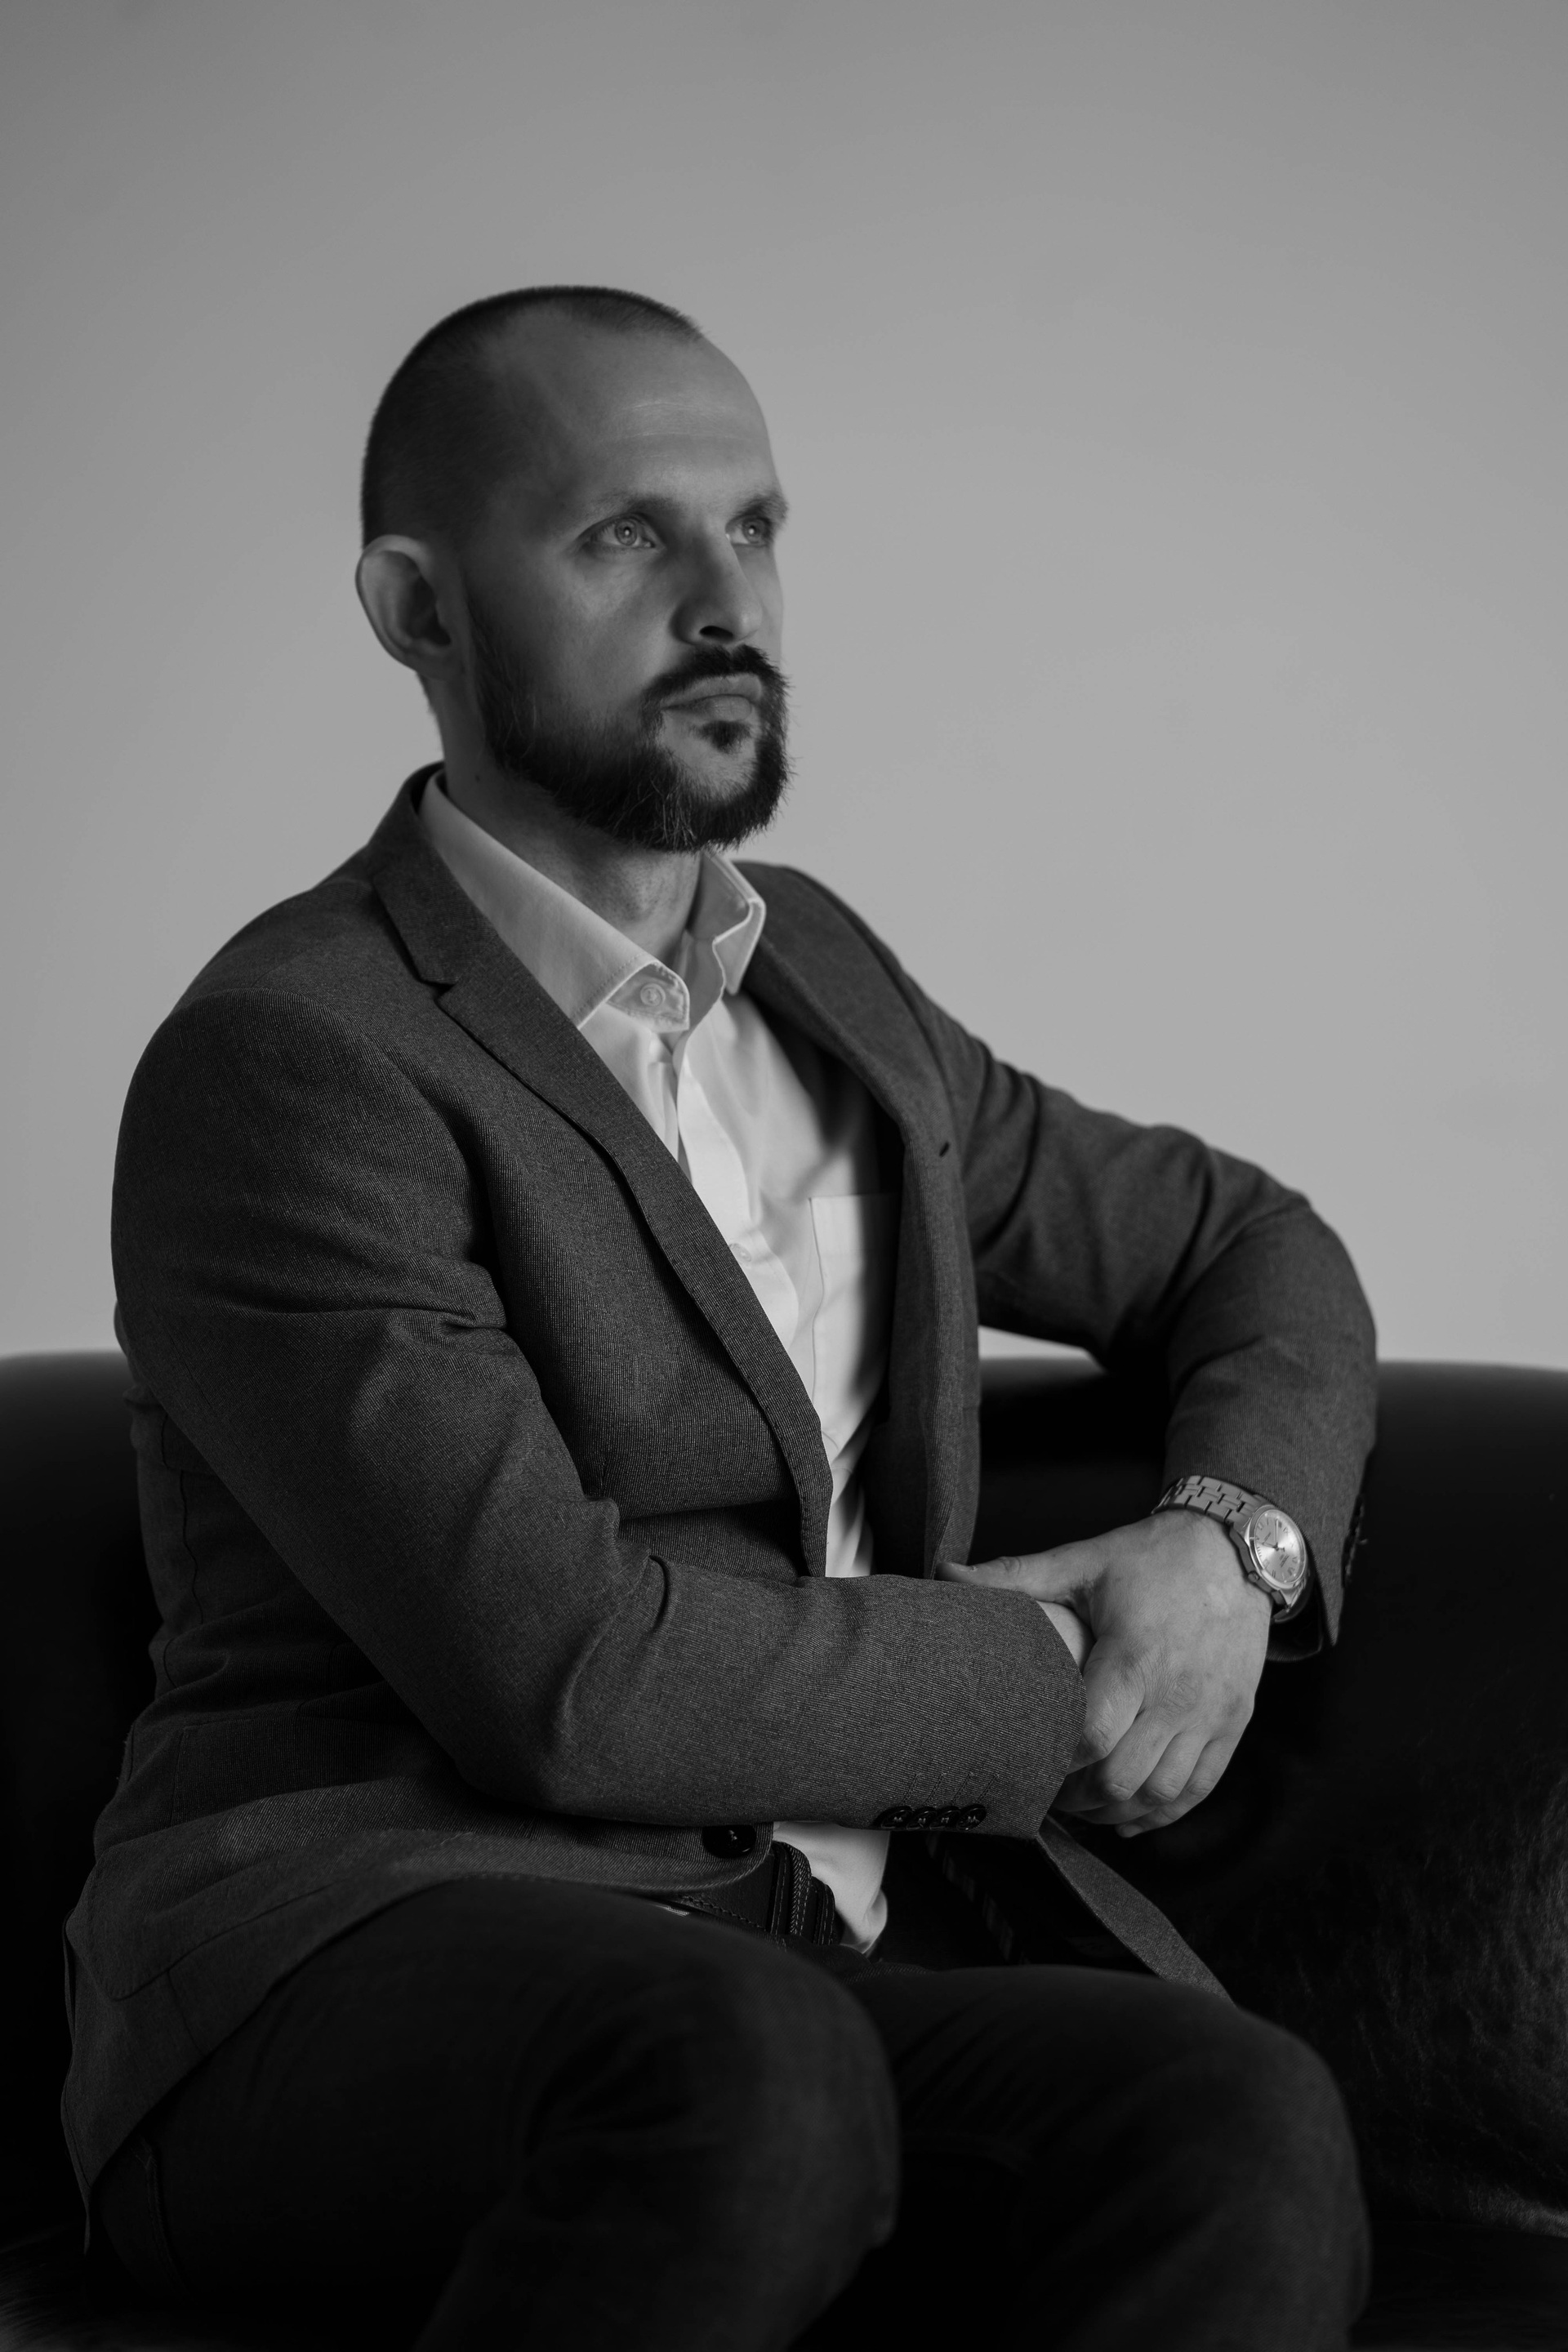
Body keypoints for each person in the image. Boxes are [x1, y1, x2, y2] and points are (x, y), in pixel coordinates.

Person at [69, 285, 1377, 2350]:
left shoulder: (824, 982)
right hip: (358, 1956)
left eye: (755, 527)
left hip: (807, 1960)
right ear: (415, 610)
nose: (725, 601)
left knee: (1232, 2117)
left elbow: (1248, 1246)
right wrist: (1069, 1676)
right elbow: (567, 1676)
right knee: (753, 2080)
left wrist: (1230, 1553)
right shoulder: (295, 1062)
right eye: (624, 535)